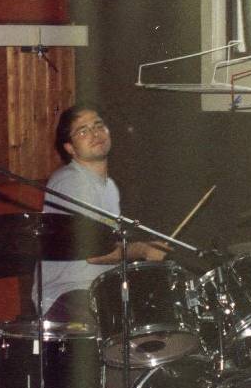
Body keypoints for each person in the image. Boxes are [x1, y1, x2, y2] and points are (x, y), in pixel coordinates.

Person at [36, 105, 166, 323]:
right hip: (67, 295)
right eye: (83, 131)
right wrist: (143, 250)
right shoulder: (72, 182)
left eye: (98, 126)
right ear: (70, 148)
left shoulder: (109, 186)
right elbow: (94, 254)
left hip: (98, 291)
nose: (95, 134)